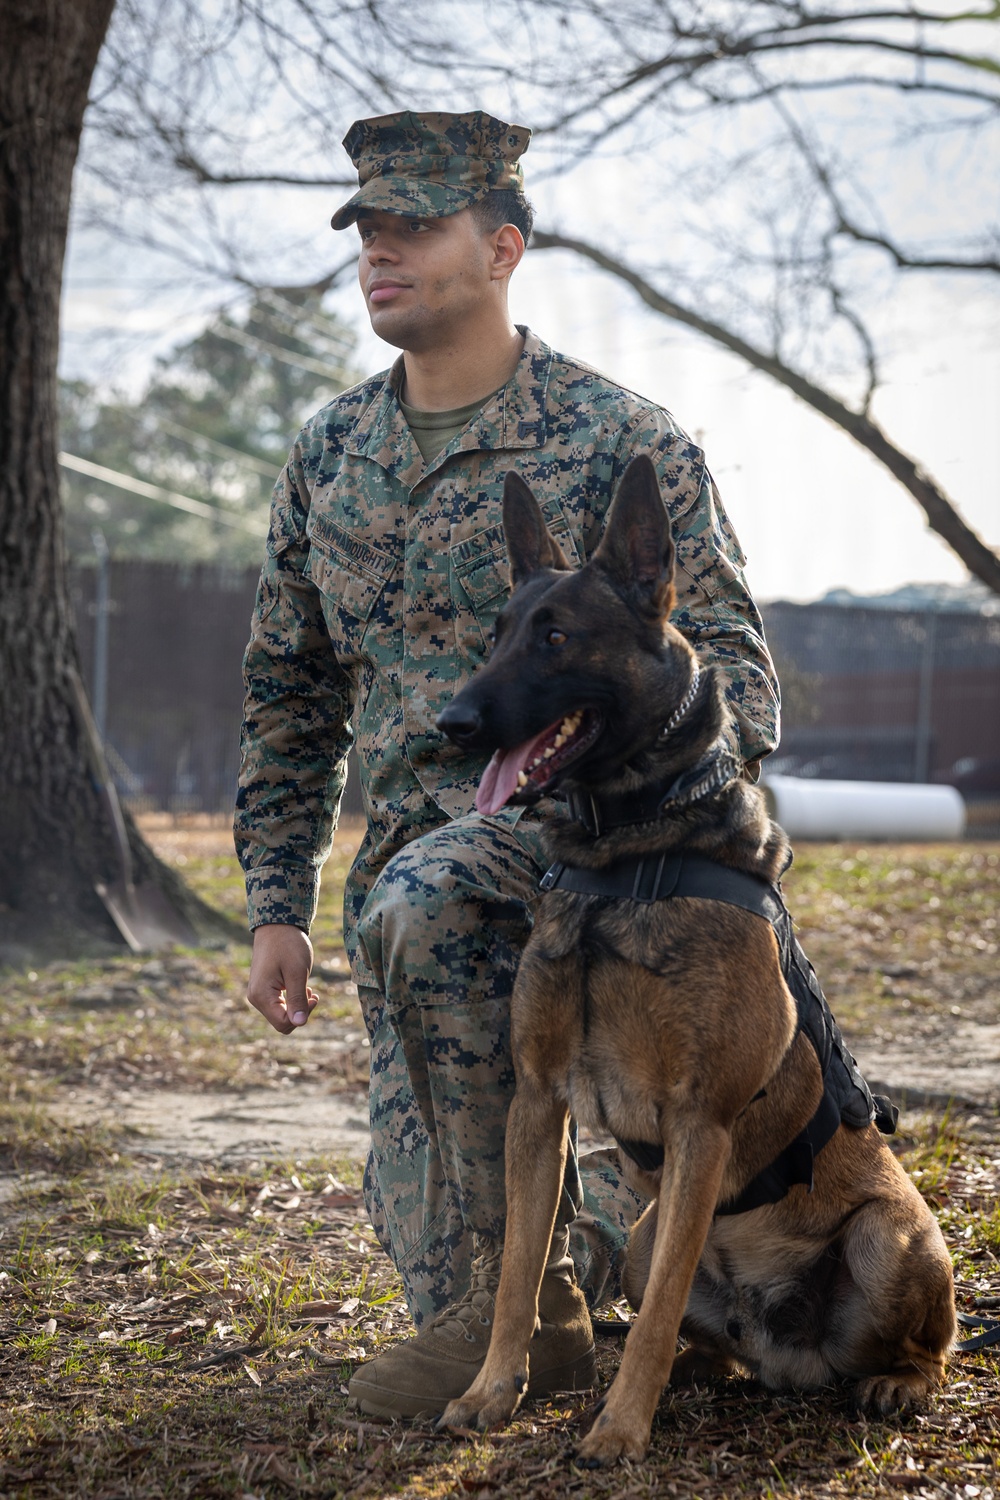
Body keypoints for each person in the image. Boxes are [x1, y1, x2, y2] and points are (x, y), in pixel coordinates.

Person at [235, 110, 780, 1420]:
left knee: (427, 905)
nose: (381, 252)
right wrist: (274, 904)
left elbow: (737, 679)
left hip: (601, 859)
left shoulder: (614, 444)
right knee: (417, 1205)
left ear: (504, 246)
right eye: (368, 230)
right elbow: (290, 692)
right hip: (403, 888)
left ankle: (539, 1314)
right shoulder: (331, 458)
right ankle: (539, 1304)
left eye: (414, 227)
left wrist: (643, 835)